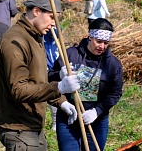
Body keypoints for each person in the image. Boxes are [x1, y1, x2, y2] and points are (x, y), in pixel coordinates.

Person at [0, 0, 80, 150]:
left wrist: (61, 101)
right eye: (51, 17)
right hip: (17, 127)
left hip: (32, 124)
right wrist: (58, 87)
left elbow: (37, 81)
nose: (54, 24)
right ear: (36, 11)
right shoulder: (15, 41)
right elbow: (19, 90)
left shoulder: (35, 37)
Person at [48, 18, 123, 151]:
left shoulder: (112, 64)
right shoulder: (70, 55)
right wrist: (59, 74)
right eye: (98, 41)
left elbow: (115, 93)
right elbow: (49, 78)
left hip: (97, 121)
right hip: (68, 118)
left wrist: (96, 111)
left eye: (106, 43)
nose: (102, 46)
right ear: (90, 37)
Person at [44, 27, 60, 131]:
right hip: (37, 66)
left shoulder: (50, 29)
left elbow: (57, 32)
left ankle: (55, 121)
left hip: (51, 65)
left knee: (53, 94)